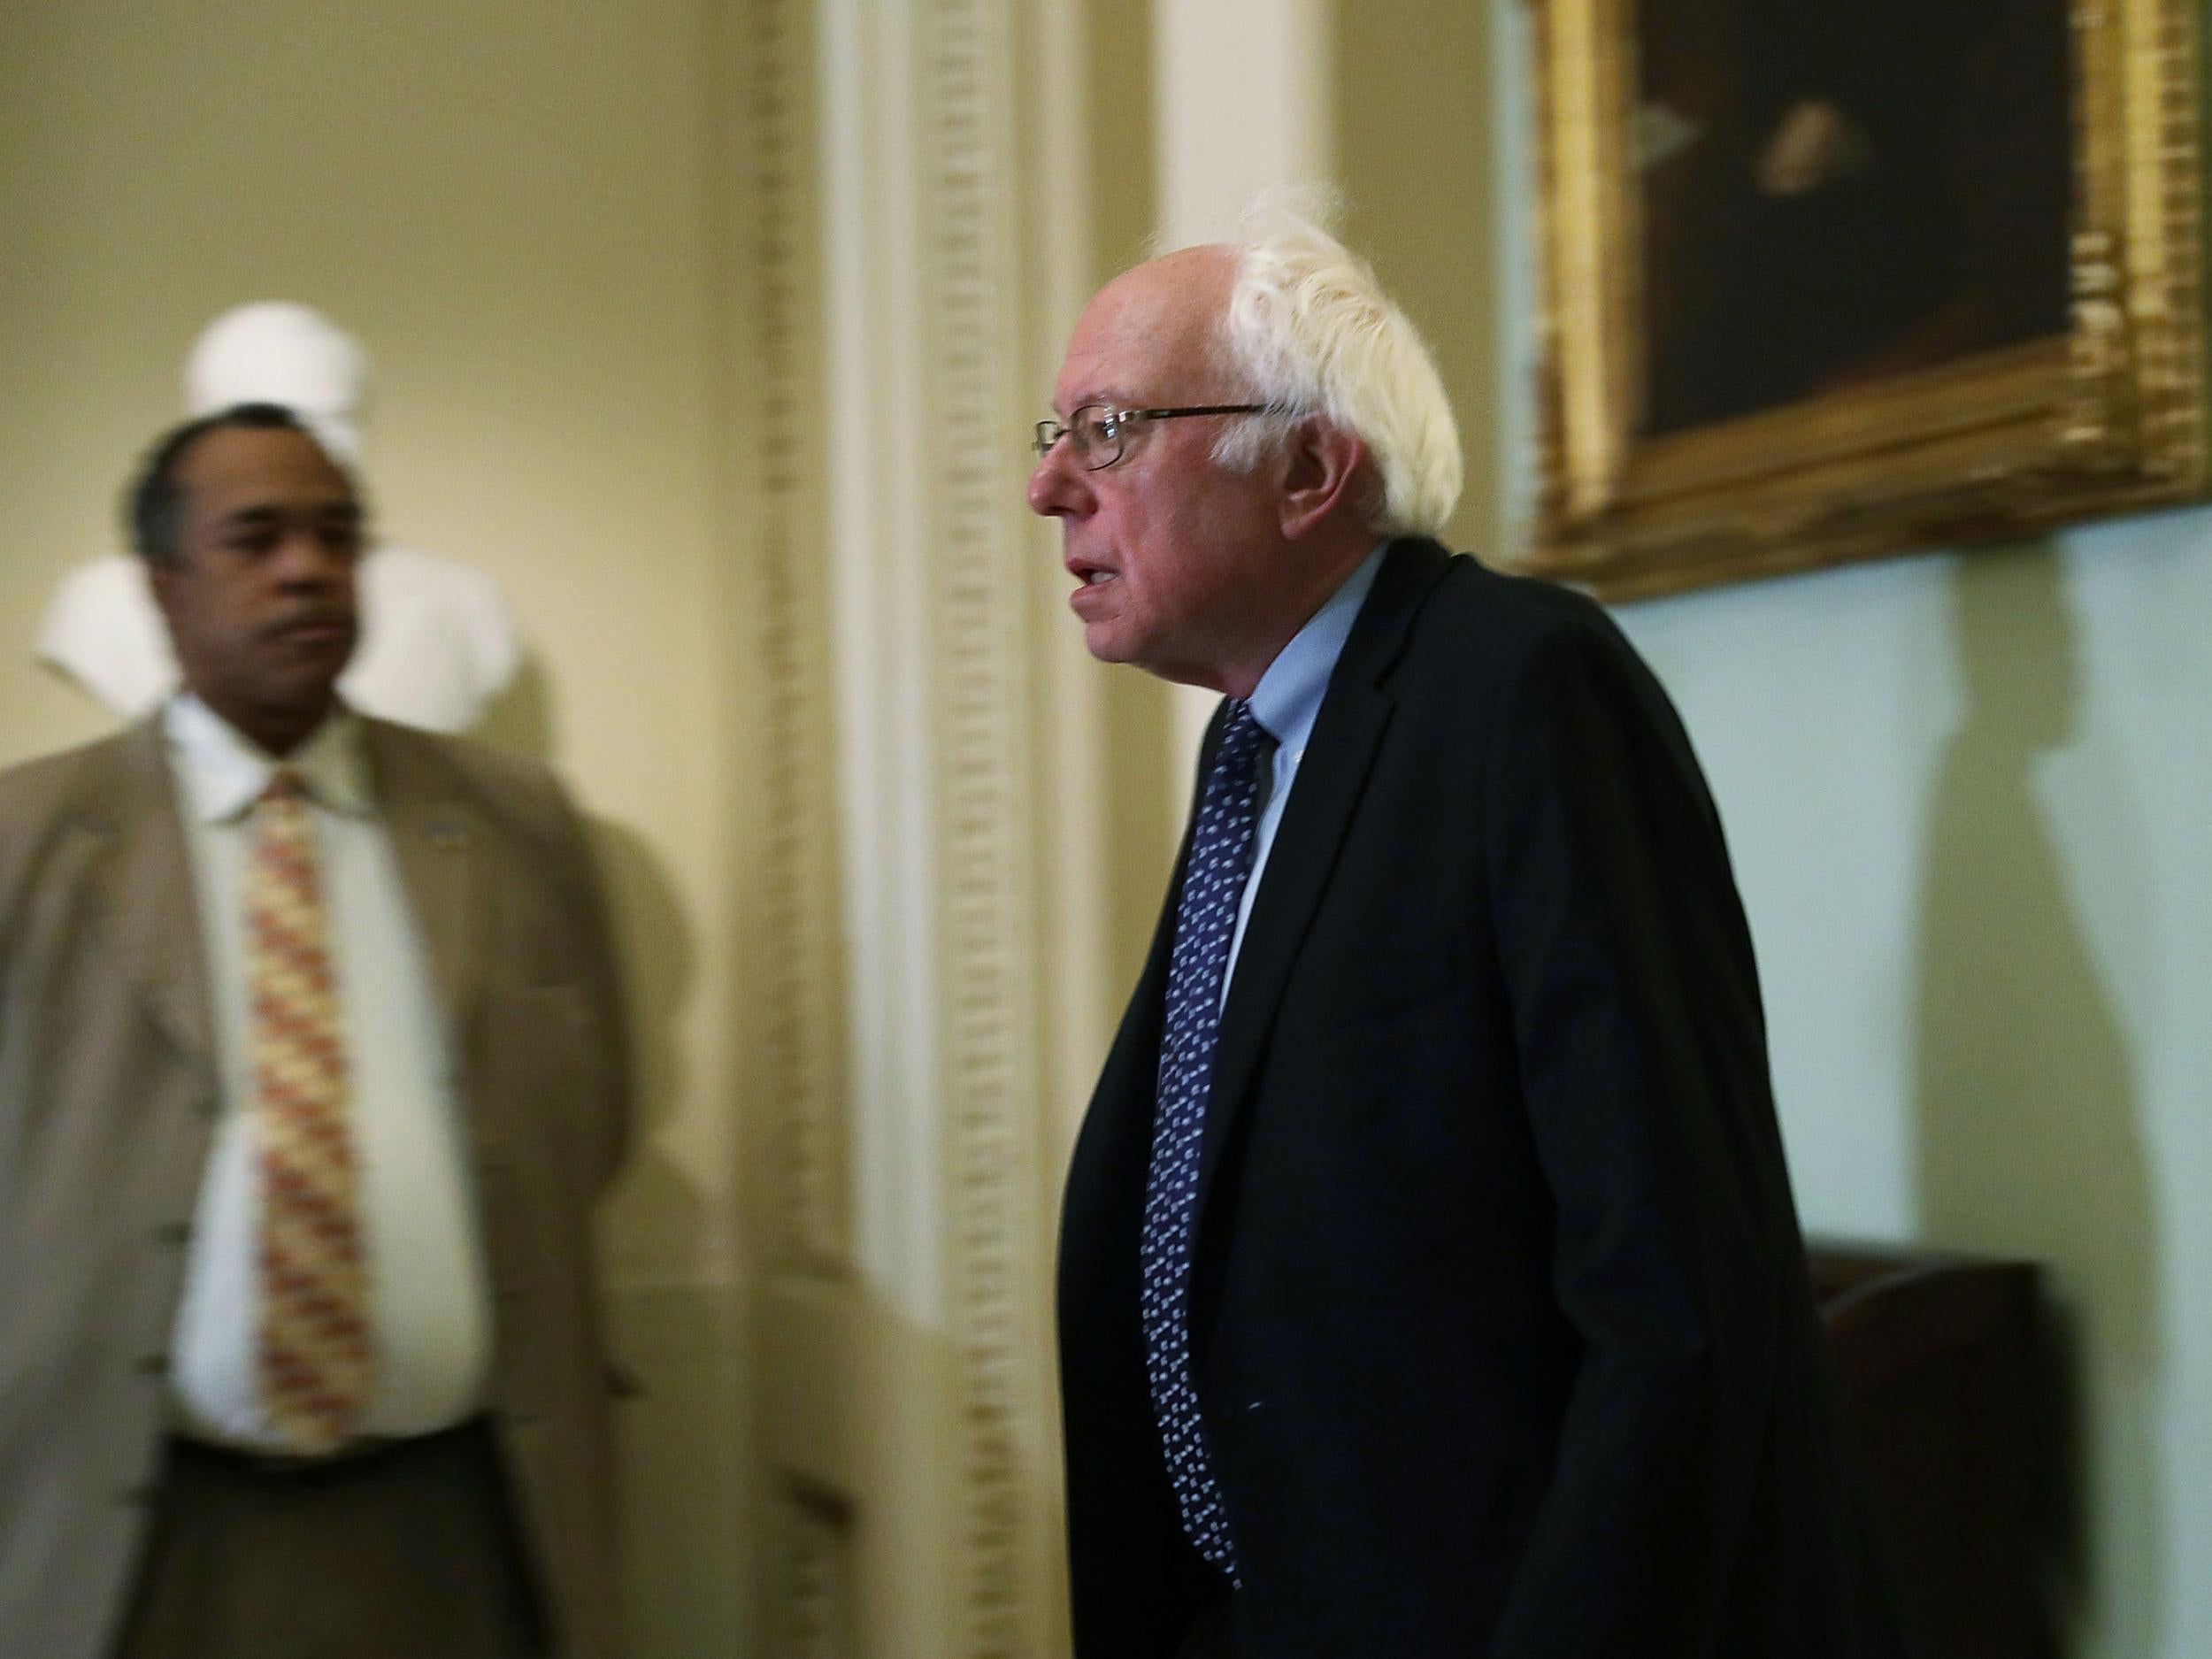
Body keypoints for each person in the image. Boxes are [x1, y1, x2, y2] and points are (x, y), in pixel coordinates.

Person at [1031, 211, 1910, 1657]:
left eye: (1110, 429)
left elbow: (1671, 1288)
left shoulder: (1527, 689)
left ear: (1312, 467)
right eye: (1058, 429)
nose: (1048, 485)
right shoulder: (1254, 747)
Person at [0, 404, 629, 1659]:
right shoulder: (32, 841)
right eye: (257, 538)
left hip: (460, 1520)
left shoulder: (511, 819)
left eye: (338, 537)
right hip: (136, 1532)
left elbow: (594, 1114)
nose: (307, 570)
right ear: (163, 586)